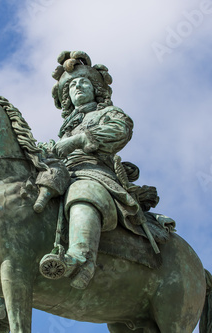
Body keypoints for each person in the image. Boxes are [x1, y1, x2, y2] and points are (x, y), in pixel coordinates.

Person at [39, 51, 150, 289]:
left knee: (83, 190)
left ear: (95, 89)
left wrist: (78, 141)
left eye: (83, 83)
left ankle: (81, 258)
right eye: (71, 86)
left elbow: (120, 130)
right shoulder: (65, 128)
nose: (77, 87)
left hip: (94, 172)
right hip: (61, 174)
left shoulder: (108, 113)